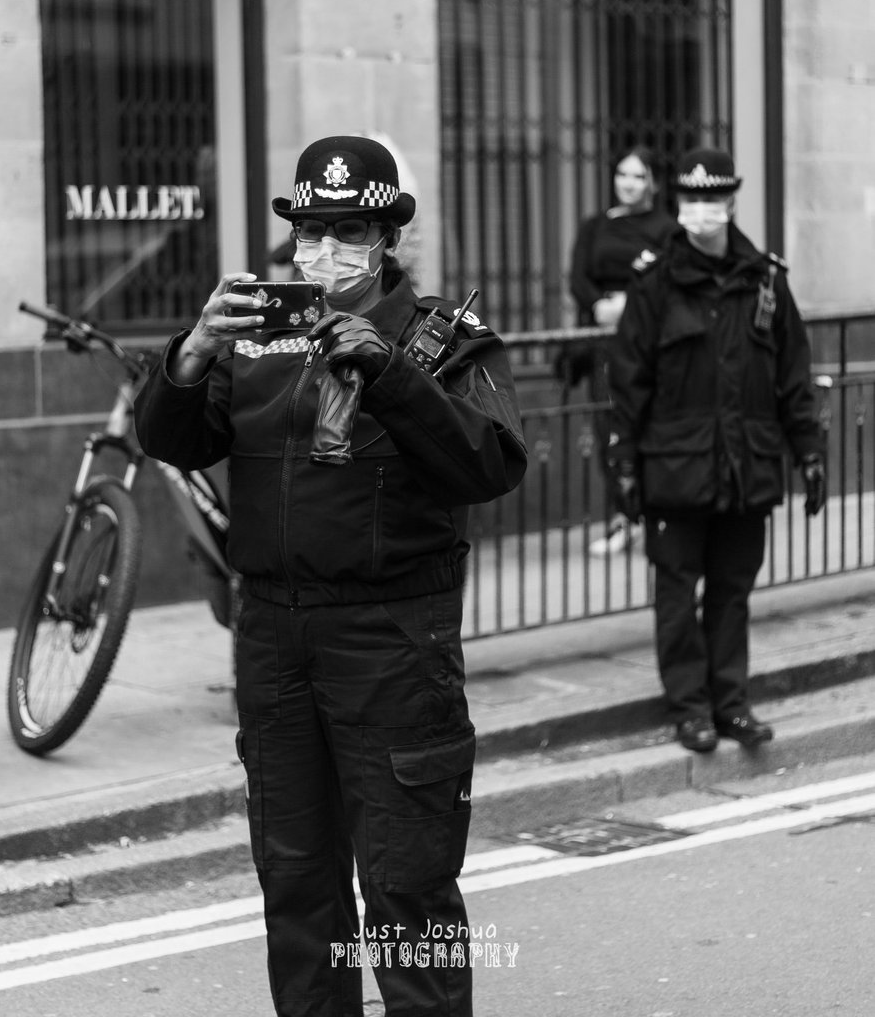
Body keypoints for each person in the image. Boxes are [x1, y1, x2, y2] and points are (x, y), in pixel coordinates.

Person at [134, 134, 528, 1017]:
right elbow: (174, 441)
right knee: (299, 887)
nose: (323, 252)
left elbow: (492, 466)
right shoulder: (258, 340)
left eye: (348, 231)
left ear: (387, 237)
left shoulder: (445, 341)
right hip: (273, 636)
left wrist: (389, 376)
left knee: (405, 885)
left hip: (390, 638)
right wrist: (192, 352)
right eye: (309, 232)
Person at [605, 146, 826, 753]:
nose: (701, 211)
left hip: (744, 465)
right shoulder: (654, 283)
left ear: (731, 203)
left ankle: (731, 704)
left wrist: (809, 452)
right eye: (691, 200)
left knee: (732, 591)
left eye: (712, 200)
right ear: (678, 205)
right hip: (674, 466)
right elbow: (629, 380)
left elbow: (792, 377)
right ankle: (689, 709)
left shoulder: (766, 281)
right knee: (678, 592)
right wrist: (623, 463)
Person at [566, 146, 677, 554]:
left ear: (654, 183)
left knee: (649, 423)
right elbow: (578, 276)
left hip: (647, 335)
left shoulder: (667, 229)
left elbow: (669, 276)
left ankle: (657, 514)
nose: (628, 183)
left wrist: (630, 306)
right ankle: (622, 516)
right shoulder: (596, 226)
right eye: (622, 174)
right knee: (607, 424)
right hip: (603, 338)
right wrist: (598, 306)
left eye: (638, 176)